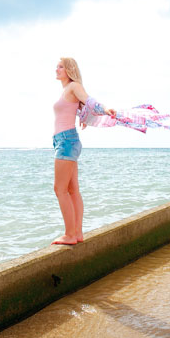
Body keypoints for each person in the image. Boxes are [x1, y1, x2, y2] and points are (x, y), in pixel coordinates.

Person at [52, 57, 115, 246]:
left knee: (60, 189)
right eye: (57, 66)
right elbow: (81, 106)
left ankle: (70, 234)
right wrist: (84, 115)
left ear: (69, 69)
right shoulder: (67, 90)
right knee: (72, 190)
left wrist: (105, 109)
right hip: (65, 140)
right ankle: (77, 233)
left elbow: (90, 100)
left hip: (66, 141)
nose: (57, 69)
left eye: (60, 66)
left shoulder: (73, 86)